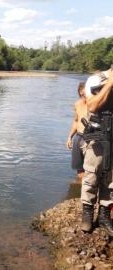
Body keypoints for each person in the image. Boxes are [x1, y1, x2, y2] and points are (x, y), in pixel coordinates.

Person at [80, 68, 113, 235]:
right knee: (91, 176)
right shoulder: (95, 80)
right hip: (99, 137)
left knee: (111, 179)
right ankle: (87, 213)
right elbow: (92, 106)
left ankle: (104, 215)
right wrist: (110, 84)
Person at [66, 82, 87, 181]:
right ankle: (80, 188)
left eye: (85, 90)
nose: (83, 93)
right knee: (79, 168)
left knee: (91, 169)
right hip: (78, 137)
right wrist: (70, 137)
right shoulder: (77, 104)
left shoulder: (95, 104)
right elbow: (76, 121)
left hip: (90, 138)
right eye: (81, 91)